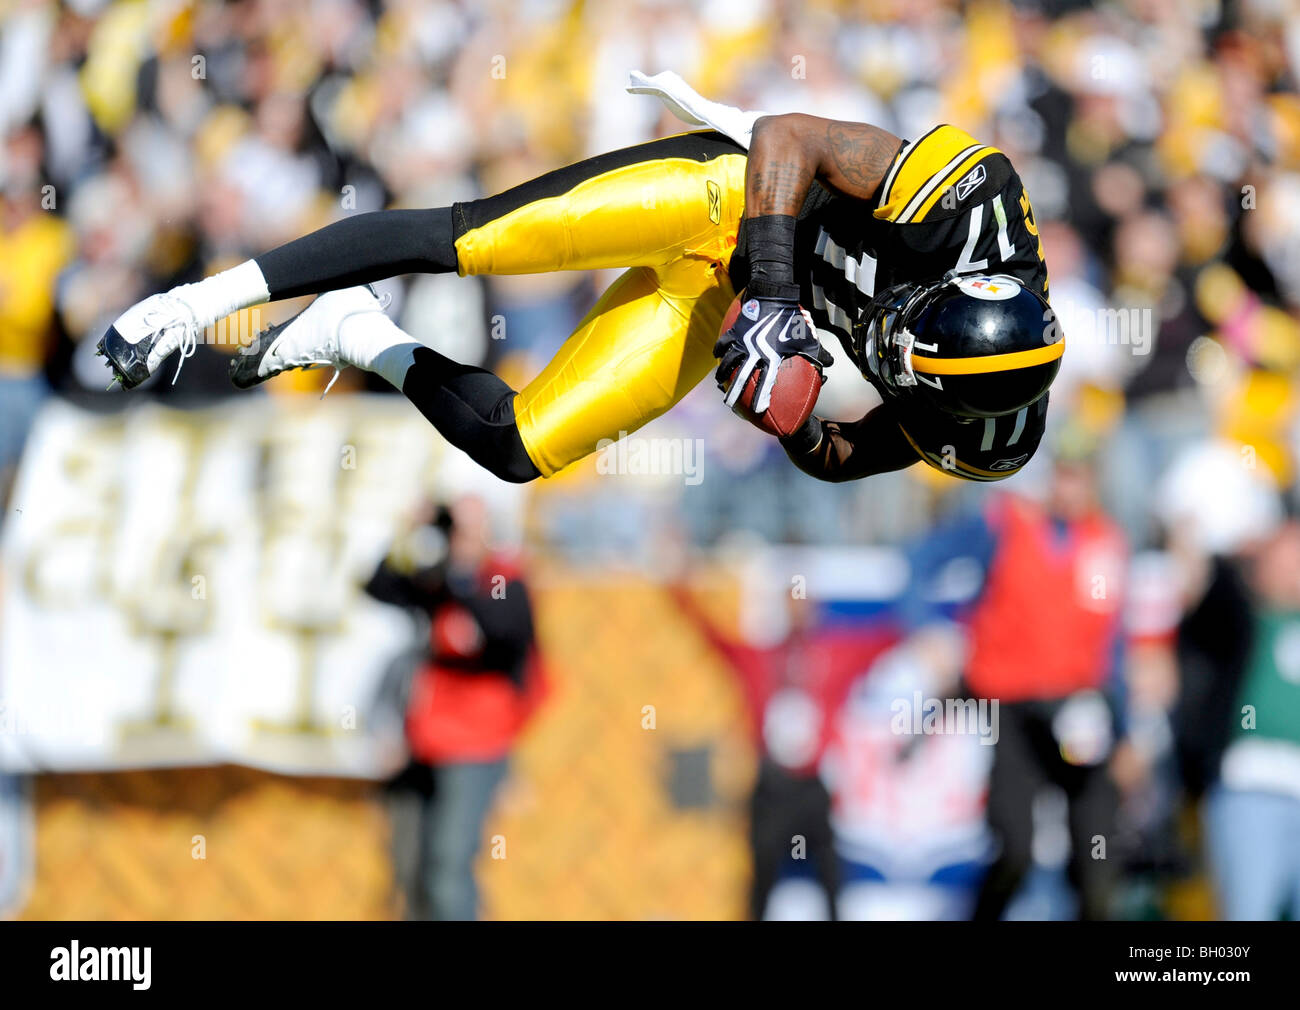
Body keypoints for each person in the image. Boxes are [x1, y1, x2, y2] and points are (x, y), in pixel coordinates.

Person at [98, 72, 1060, 487]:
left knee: (520, 449)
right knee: (470, 239)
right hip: (735, 206)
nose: (884, 341)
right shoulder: (970, 201)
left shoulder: (984, 433)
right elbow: (788, 136)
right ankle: (191, 305)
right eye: (904, 325)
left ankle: (357, 334)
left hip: (730, 303)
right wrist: (773, 295)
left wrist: (789, 415)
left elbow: (845, 458)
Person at [904, 437, 1129, 920]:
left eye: (1081, 474)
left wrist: (1128, 733)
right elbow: (920, 562)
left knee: (1097, 850)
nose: (1070, 486)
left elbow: (1114, 642)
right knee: (1015, 844)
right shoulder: (1007, 524)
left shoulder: (1106, 541)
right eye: (1064, 473)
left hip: (1079, 708)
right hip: (1010, 704)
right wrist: (929, 632)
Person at [364, 495, 542, 921]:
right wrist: (410, 531)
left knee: (450, 866)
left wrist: (463, 571)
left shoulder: (504, 582)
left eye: (467, 529)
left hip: (477, 744)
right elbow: (378, 587)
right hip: (426, 741)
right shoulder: (438, 584)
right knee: (412, 868)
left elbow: (505, 633)